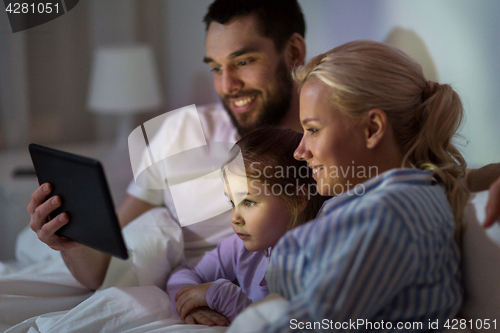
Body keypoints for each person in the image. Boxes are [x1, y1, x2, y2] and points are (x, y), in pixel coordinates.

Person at [26, 0, 500, 291]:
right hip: (196, 281)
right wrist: (69, 241)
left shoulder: (344, 153)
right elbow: (105, 267)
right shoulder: (177, 137)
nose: (226, 84)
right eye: (214, 67)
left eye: (243, 61)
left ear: (293, 53)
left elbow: (439, 173)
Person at [262, 40, 469, 332]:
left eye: (313, 130)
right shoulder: (376, 202)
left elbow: (311, 323)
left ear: (372, 129)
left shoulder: (391, 215)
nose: (300, 151)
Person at [165, 127, 328, 326]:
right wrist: (192, 303)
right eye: (232, 203)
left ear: (297, 200)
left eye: (249, 202)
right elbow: (184, 272)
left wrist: (222, 296)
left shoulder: (316, 263)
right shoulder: (241, 248)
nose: (235, 218)